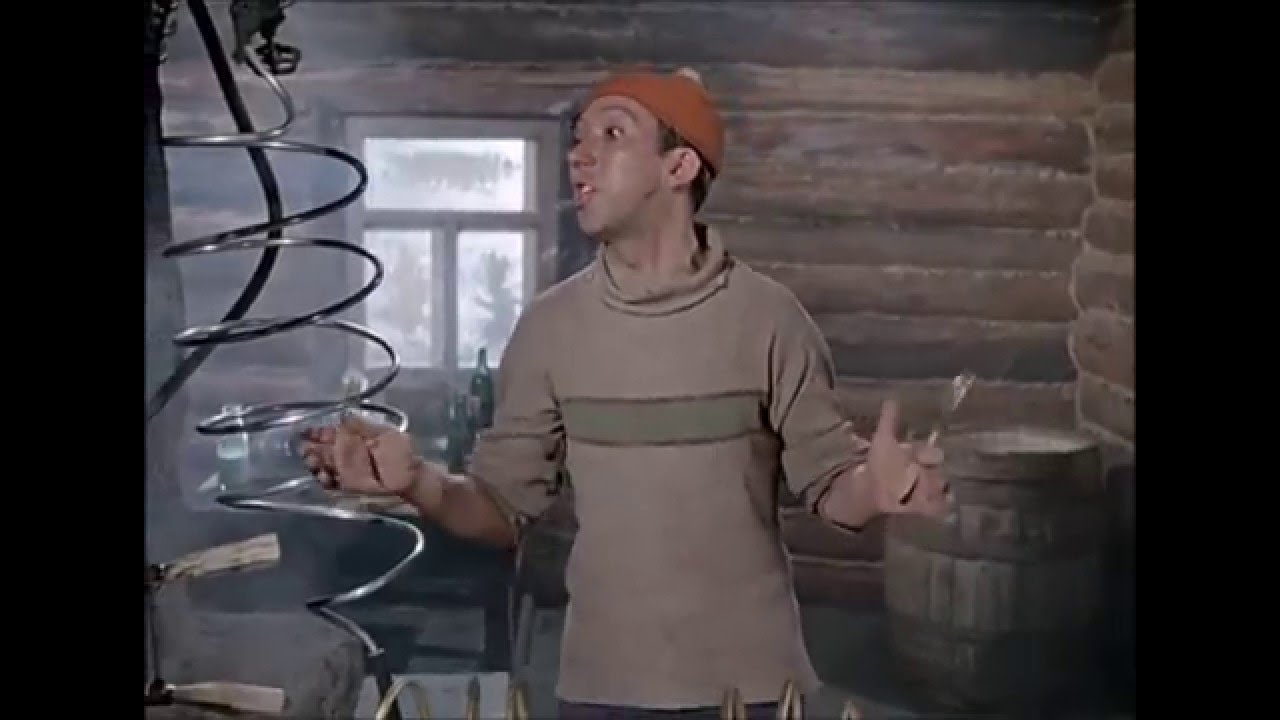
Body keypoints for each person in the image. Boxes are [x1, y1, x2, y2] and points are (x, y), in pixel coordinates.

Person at [302, 67, 950, 719]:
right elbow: (500, 508)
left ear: (679, 166)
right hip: (602, 691)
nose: (579, 155)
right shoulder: (551, 328)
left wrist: (872, 487)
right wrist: (417, 481)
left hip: (753, 689)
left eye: (612, 134)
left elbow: (831, 484)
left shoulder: (769, 319)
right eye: (578, 137)